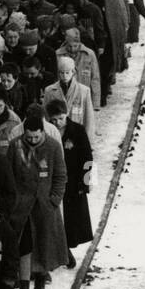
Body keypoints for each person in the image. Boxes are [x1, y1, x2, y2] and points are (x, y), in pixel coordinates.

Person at [7, 105, 69, 289]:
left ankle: (40, 284)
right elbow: (9, 175)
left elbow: (60, 175)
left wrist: (54, 200)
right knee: (23, 248)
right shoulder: (15, 146)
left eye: (36, 137)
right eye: (29, 137)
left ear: (43, 132)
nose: (32, 140)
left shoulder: (53, 146)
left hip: (44, 206)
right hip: (21, 207)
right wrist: (13, 201)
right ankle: (24, 288)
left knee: (44, 245)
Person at [46, 100, 93, 262]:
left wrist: (86, 183)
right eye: (53, 120)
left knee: (72, 219)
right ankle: (63, 250)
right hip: (55, 182)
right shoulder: (49, 132)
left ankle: (67, 248)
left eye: (60, 118)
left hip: (74, 183)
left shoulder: (77, 131)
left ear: (66, 115)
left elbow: (88, 158)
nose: (57, 123)